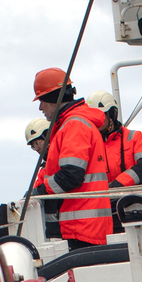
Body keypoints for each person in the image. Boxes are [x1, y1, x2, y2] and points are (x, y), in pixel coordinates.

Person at [35, 67, 114, 246]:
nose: (40, 107)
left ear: (53, 99)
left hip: (81, 229)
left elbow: (71, 175)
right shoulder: (71, 124)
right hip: (85, 226)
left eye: (41, 101)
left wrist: (38, 193)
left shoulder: (74, 125)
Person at [88, 89, 142, 186]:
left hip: (133, 197)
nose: (95, 120)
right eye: (92, 117)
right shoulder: (88, 143)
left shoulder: (134, 137)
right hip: (102, 198)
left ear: (111, 114)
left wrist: (118, 184)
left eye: (99, 115)